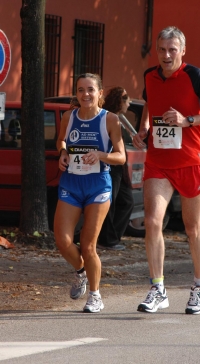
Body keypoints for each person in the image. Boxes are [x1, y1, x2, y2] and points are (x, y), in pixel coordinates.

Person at [133, 26, 200, 315]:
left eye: (172, 49)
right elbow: (150, 107)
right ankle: (158, 288)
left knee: (191, 227)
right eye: (162, 49)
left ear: (182, 51)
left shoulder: (196, 76)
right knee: (151, 222)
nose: (166, 55)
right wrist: (144, 130)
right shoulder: (150, 76)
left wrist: (189, 120)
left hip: (191, 160)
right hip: (159, 162)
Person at [54, 73, 126, 313]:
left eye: (90, 90)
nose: (85, 94)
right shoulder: (68, 116)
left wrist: (101, 155)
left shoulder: (110, 120)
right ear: (76, 93)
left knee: (88, 245)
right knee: (63, 241)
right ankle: (81, 272)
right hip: (71, 183)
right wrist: (63, 153)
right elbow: (61, 141)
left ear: (100, 93)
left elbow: (121, 156)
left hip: (98, 185)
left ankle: (95, 295)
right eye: (81, 90)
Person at [97, 87, 134, 250]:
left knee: (127, 202)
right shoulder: (109, 118)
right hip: (110, 166)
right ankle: (107, 240)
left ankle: (112, 237)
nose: (130, 102)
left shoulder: (119, 118)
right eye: (127, 98)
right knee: (109, 204)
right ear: (119, 100)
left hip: (120, 168)